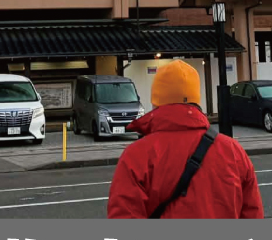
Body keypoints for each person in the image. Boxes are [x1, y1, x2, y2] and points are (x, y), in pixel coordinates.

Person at [107, 59, 263, 218]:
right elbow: (253, 215)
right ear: (197, 100)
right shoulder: (233, 151)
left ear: (155, 102)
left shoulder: (136, 157)